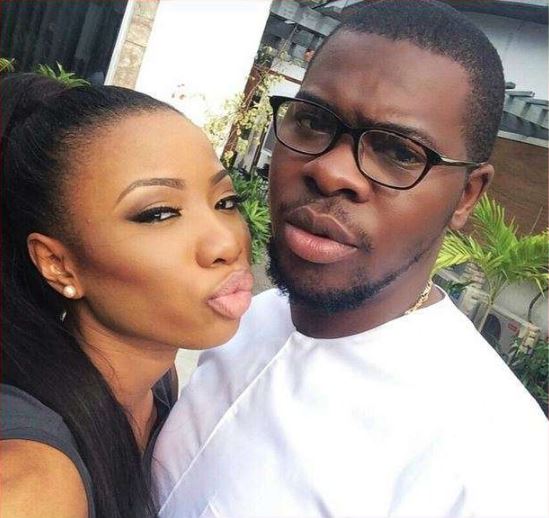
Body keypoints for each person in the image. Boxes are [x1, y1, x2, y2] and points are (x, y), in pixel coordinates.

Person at [153, 1, 548, 517]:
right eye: (313, 121)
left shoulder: (496, 466)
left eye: (400, 152)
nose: (331, 171)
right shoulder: (246, 317)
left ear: (467, 196)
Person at [0, 73, 252, 518]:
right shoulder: (33, 483)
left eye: (225, 201)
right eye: (158, 214)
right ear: (58, 264)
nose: (226, 243)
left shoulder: (157, 382)